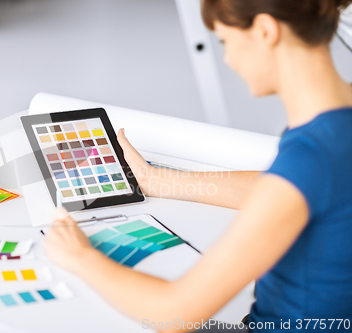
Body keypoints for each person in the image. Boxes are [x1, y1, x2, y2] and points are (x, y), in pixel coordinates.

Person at [44, 0, 352, 331]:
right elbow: (287, 191)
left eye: (225, 41)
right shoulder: (333, 128)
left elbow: (174, 312)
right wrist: (157, 180)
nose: (228, 59)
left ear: (265, 30)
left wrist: (81, 258)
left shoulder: (309, 158)